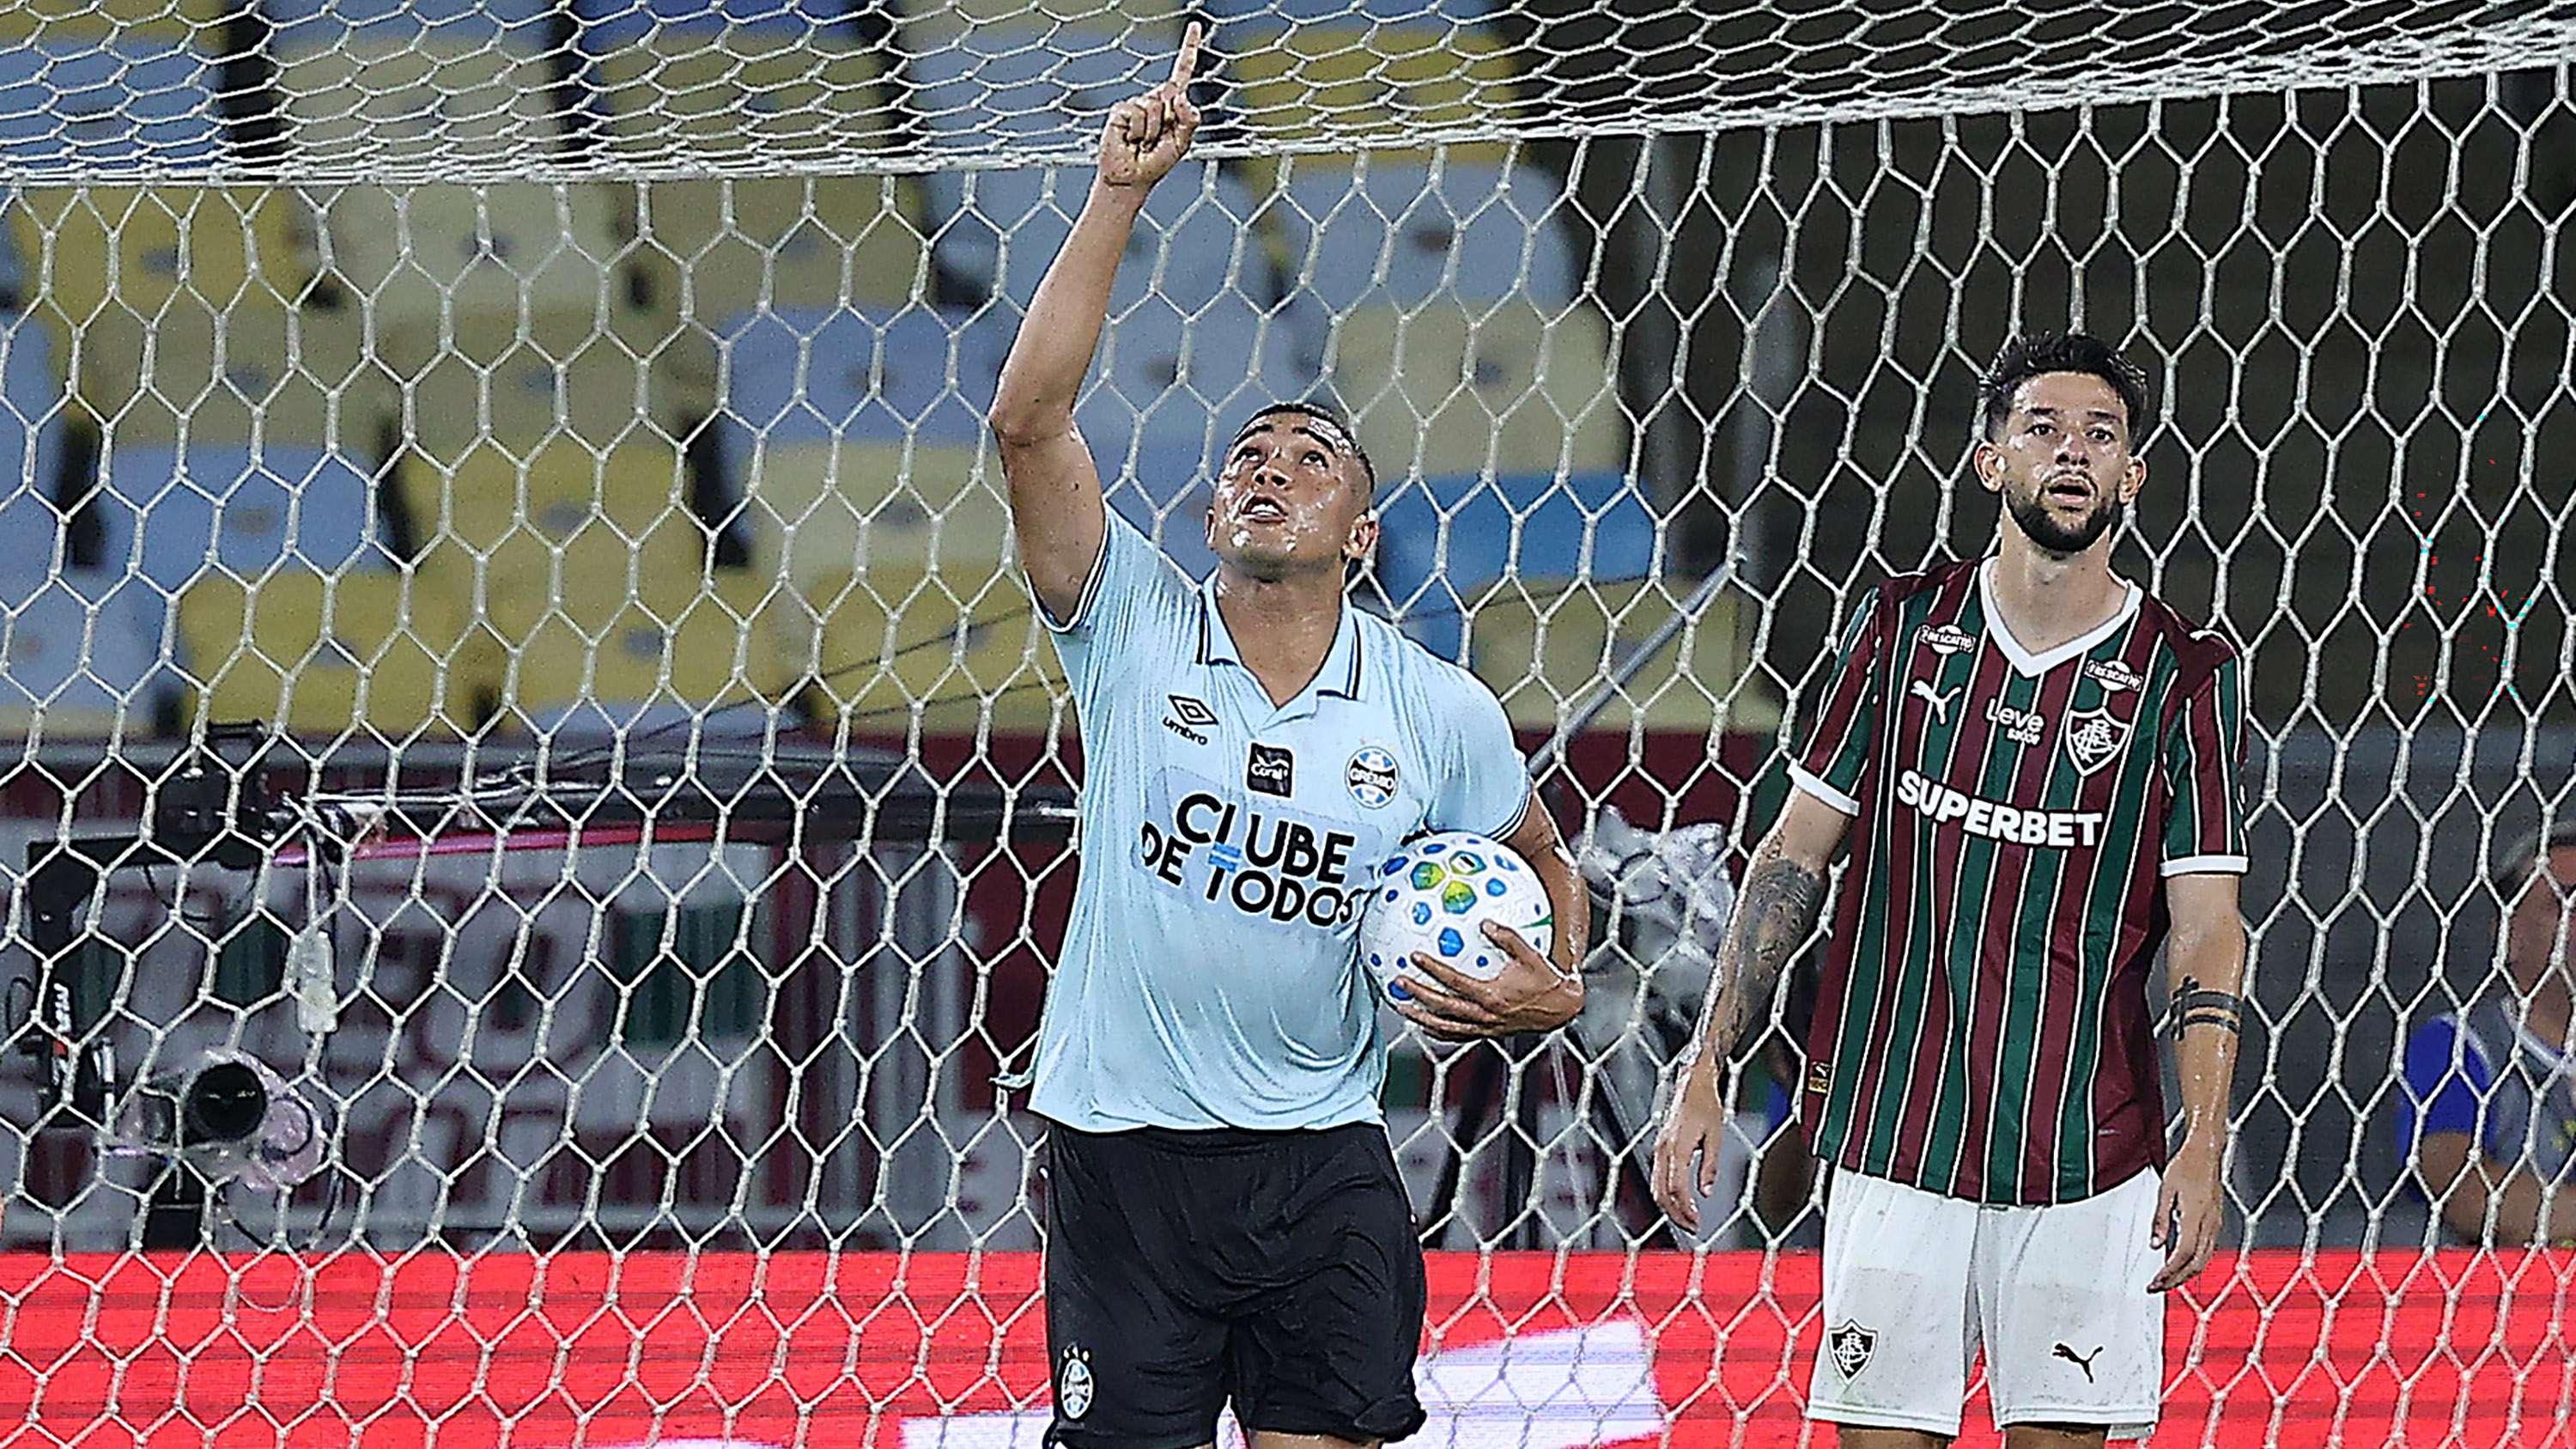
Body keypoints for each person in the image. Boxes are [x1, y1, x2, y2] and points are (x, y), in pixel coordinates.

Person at [985, 26, 1590, 1449]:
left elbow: (1541, 849)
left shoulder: (1436, 703)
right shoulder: (1129, 621)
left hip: (1322, 1159)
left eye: (1312, 460)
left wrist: (1557, 982)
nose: (1272, 469)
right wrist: (1118, 197)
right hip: (1124, 1157)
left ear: (1362, 536)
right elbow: (1027, 424)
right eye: (1248, 456)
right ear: (1210, 516)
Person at [1650, 332, 2254, 1447]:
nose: (2071, 450)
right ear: (1990, 462)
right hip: (1897, 1128)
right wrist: (1707, 1066)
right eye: (2041, 427)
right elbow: (1791, 859)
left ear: (2134, 475)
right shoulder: (1901, 630)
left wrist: (2203, 1136)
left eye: (2101, 433)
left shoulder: (2184, 674)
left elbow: (2208, 927)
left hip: (2090, 1141)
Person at [2396, 819, 2576, 1245]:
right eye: (2566, 902)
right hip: (2508, 1303)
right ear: (2509, 934)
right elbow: (2466, 1194)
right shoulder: (2458, 1045)